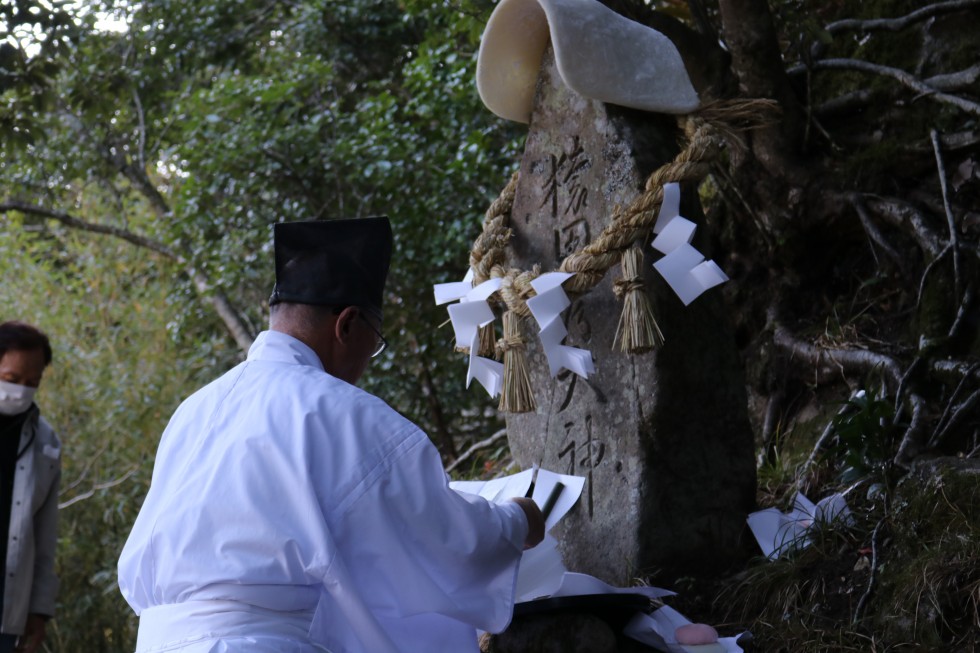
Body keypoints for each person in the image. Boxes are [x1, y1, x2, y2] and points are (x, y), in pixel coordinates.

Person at [118, 216, 544, 653]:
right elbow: (444, 539)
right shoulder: (340, 412)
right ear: (347, 324)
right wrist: (517, 521)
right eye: (373, 340)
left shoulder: (195, 410)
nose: (367, 359)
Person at [0, 322, 60, 653]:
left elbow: (45, 533)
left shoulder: (46, 444)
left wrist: (39, 610)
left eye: (31, 383)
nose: (21, 391)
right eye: (11, 380)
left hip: (8, 614)